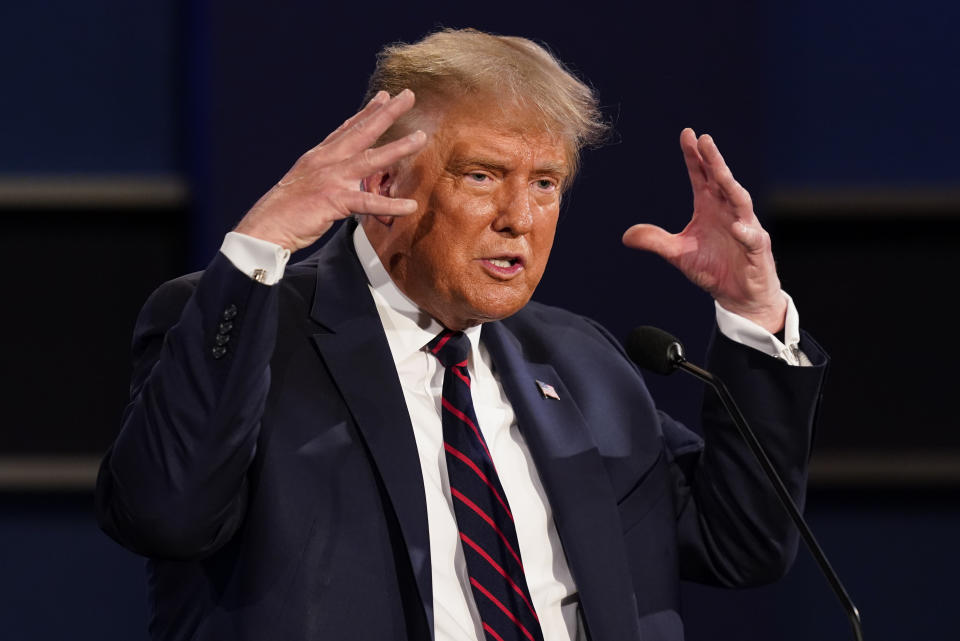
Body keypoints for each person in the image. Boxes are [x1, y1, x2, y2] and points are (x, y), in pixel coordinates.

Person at [96, 28, 827, 641]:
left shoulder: (580, 361)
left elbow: (744, 543)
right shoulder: (251, 327)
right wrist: (260, 244)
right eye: (483, 175)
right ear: (382, 185)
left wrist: (754, 311)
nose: (520, 216)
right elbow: (163, 512)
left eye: (545, 182)